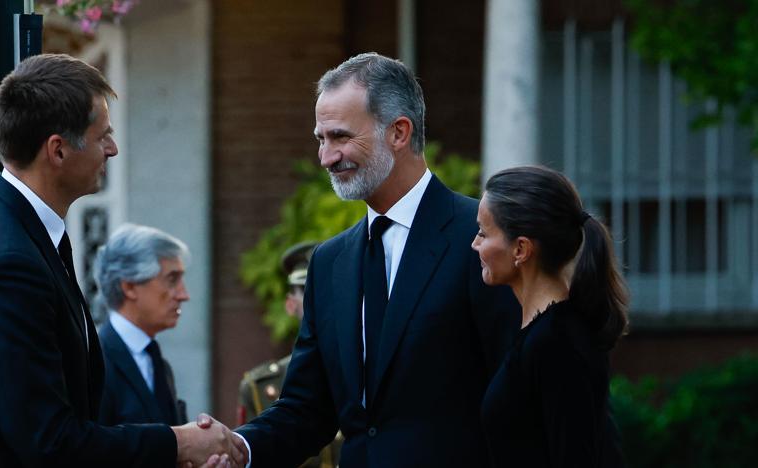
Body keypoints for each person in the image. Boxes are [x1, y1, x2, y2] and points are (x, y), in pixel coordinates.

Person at [0, 53, 245, 468]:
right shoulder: (6, 262)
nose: (113, 149)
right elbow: (49, 442)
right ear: (58, 151)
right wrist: (177, 445)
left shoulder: (10, 225)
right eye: (103, 136)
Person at [234, 52, 519, 467]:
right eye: (321, 139)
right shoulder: (329, 262)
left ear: (399, 132)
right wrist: (237, 449)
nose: (326, 157)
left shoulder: (480, 239)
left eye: (341, 137)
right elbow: (307, 409)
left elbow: (520, 398)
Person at [472, 165, 627, 467]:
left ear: (520, 249)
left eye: (482, 232)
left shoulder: (556, 342)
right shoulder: (541, 333)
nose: (475, 243)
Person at [236, 242, 343, 468]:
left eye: (330, 286)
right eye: (307, 290)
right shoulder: (261, 385)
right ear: (290, 304)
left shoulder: (365, 366)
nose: (320, 297)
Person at [94, 224, 191, 426]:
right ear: (129, 286)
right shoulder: (94, 362)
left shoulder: (158, 364)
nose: (184, 295)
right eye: (172, 279)